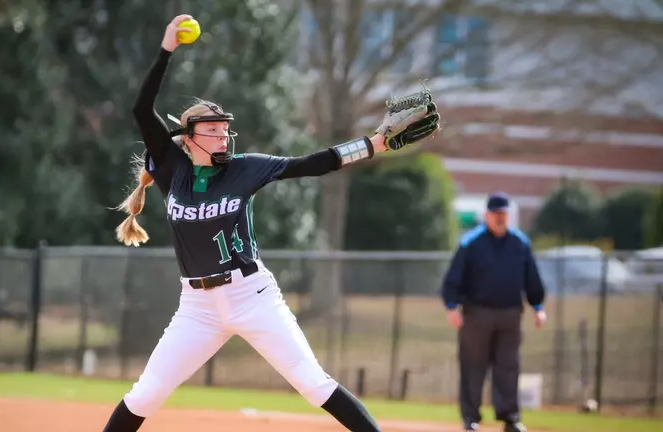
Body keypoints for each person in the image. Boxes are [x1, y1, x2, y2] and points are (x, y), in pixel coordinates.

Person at [101, 14, 438, 432]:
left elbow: (312, 164)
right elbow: (140, 108)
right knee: (145, 394)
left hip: (252, 296)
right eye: (212, 130)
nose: (223, 136)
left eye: (225, 130)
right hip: (198, 308)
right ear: (189, 137)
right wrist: (166, 48)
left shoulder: (245, 168)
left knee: (313, 384)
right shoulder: (173, 171)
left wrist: (373, 144)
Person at [440, 192, 547, 432]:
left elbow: (532, 279)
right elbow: (453, 280)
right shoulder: (471, 243)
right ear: (487, 215)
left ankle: (510, 418)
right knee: (473, 367)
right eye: (496, 213)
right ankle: (471, 419)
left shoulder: (520, 242)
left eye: (504, 214)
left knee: (508, 367)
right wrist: (451, 307)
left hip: (510, 315)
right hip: (477, 314)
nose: (500, 218)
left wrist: (538, 307)